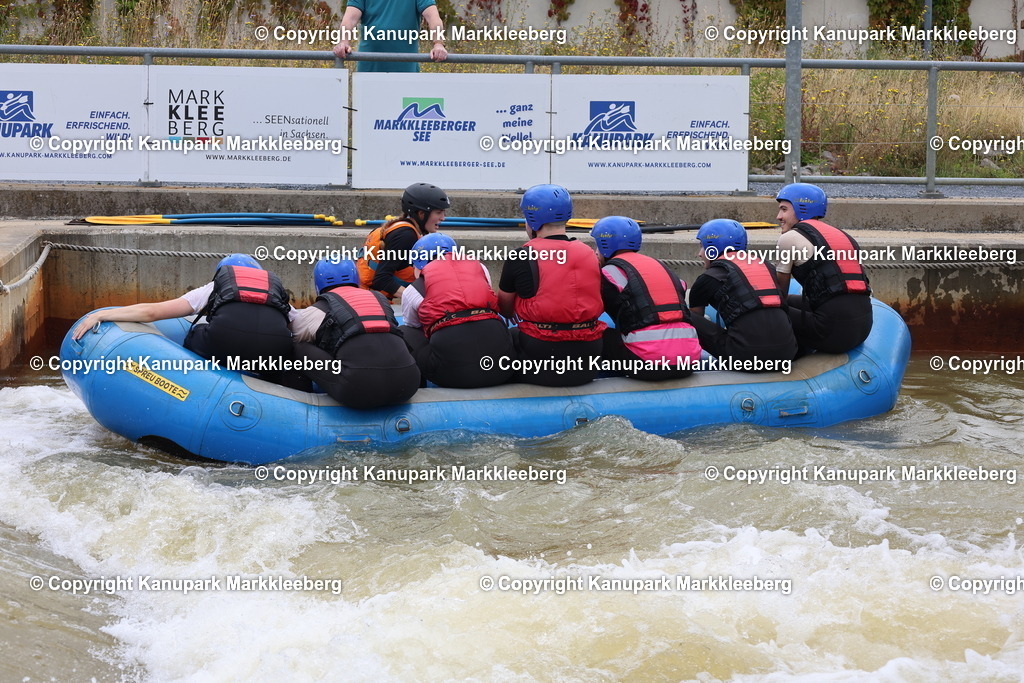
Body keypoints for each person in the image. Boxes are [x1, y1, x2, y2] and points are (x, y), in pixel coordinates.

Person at [72, 254, 295, 372]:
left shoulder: (213, 288)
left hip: (224, 344)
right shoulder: (276, 294)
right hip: (271, 355)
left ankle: (201, 378)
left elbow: (151, 312)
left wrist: (102, 315)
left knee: (196, 330)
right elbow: (302, 328)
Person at [497, 184, 606, 386]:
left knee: (503, 337)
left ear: (532, 219)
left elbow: (504, 308)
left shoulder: (521, 254)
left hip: (542, 353)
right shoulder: (589, 254)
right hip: (589, 354)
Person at [290, 259, 420, 409]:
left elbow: (293, 335)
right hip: (408, 385)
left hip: (357, 389)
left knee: (297, 347)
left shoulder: (316, 311)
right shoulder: (380, 299)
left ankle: (299, 404)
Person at [590, 216, 701, 380]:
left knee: (587, 330)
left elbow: (587, 313)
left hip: (648, 365)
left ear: (605, 245)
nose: (595, 251)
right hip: (689, 361)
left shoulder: (609, 273)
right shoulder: (660, 266)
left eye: (597, 246)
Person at [399, 233, 515, 388]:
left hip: (453, 376)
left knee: (404, 331)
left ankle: (418, 387)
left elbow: (414, 325)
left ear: (419, 265)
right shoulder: (479, 268)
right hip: (501, 369)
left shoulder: (413, 290)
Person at [775, 182, 873, 354]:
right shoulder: (843, 236)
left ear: (801, 208)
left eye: (784, 209)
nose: (778, 216)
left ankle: (788, 354)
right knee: (792, 302)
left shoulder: (789, 238)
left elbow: (778, 296)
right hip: (863, 328)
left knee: (764, 309)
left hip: (831, 334)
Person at [688, 220, 797, 370]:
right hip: (787, 353)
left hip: (745, 358)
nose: (699, 254)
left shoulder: (707, 279)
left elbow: (696, 319)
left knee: (685, 315)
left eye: (702, 246)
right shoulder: (767, 266)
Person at [357, 182, 450, 301]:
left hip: (373, 297)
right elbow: (381, 279)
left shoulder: (408, 230)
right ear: (421, 214)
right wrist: (419, 301)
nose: (443, 218)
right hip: (369, 300)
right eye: (438, 212)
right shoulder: (405, 235)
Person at [332, 0, 447, 73]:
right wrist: (344, 42)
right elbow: (350, 19)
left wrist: (438, 44)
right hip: (369, 69)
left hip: (406, 70)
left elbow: (433, 17)